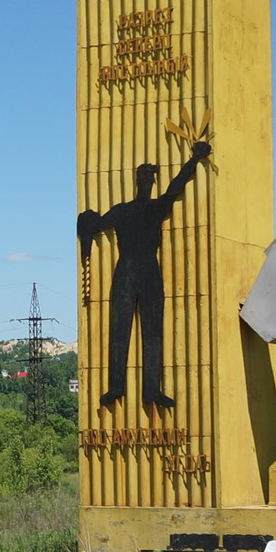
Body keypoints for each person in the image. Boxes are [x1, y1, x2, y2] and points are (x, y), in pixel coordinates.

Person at [77, 142, 209, 409]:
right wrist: (87, 220)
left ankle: (152, 390)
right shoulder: (123, 210)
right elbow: (97, 223)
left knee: (153, 330)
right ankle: (116, 387)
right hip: (127, 269)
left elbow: (177, 185)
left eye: (150, 176)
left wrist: (195, 159)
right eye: (144, 176)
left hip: (148, 270)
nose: (147, 181)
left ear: (153, 181)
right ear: (138, 180)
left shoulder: (156, 208)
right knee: (119, 328)